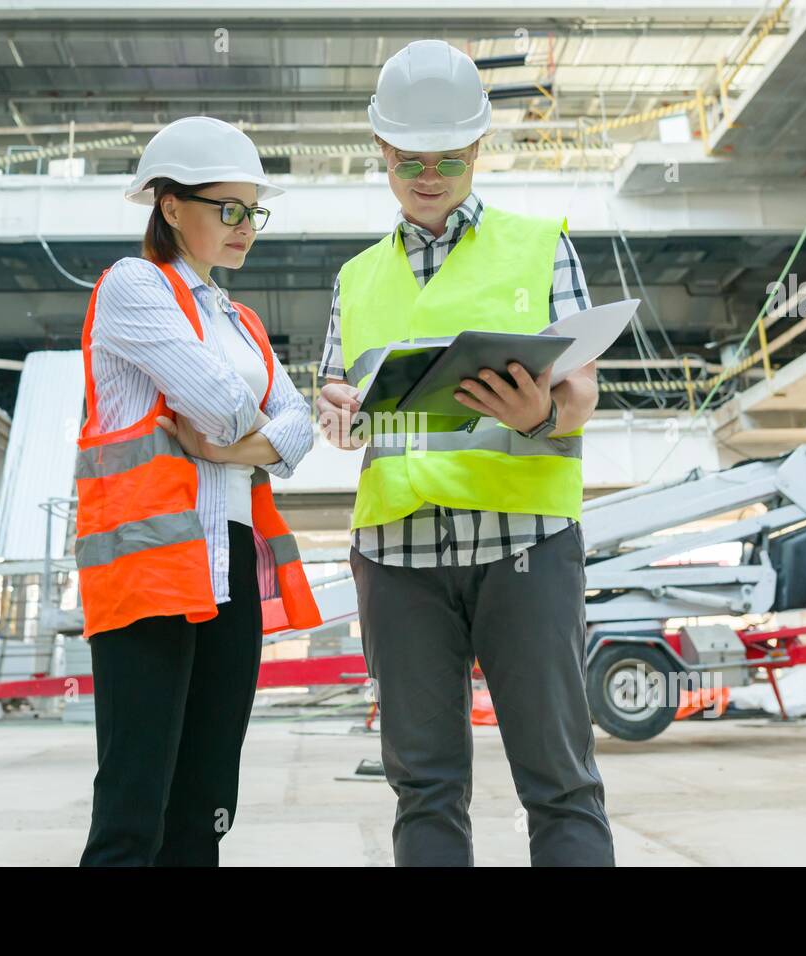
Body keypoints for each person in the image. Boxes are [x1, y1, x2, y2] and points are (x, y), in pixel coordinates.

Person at [316, 40, 616, 866]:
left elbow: (583, 386)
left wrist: (542, 413)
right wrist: (334, 411)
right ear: (382, 150)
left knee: (559, 781)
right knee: (424, 788)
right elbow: (340, 394)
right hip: (397, 556)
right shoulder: (354, 278)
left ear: (479, 148)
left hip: (524, 548)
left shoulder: (540, 243)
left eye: (449, 157)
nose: (429, 175)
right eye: (409, 159)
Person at [77, 115, 321, 866]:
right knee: (134, 809)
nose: (246, 226)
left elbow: (301, 429)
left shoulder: (239, 318)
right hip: (151, 568)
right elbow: (222, 400)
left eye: (255, 211)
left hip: (230, 570)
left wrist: (232, 444)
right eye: (230, 209)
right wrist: (251, 436)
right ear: (170, 205)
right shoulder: (132, 287)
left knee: (208, 806)